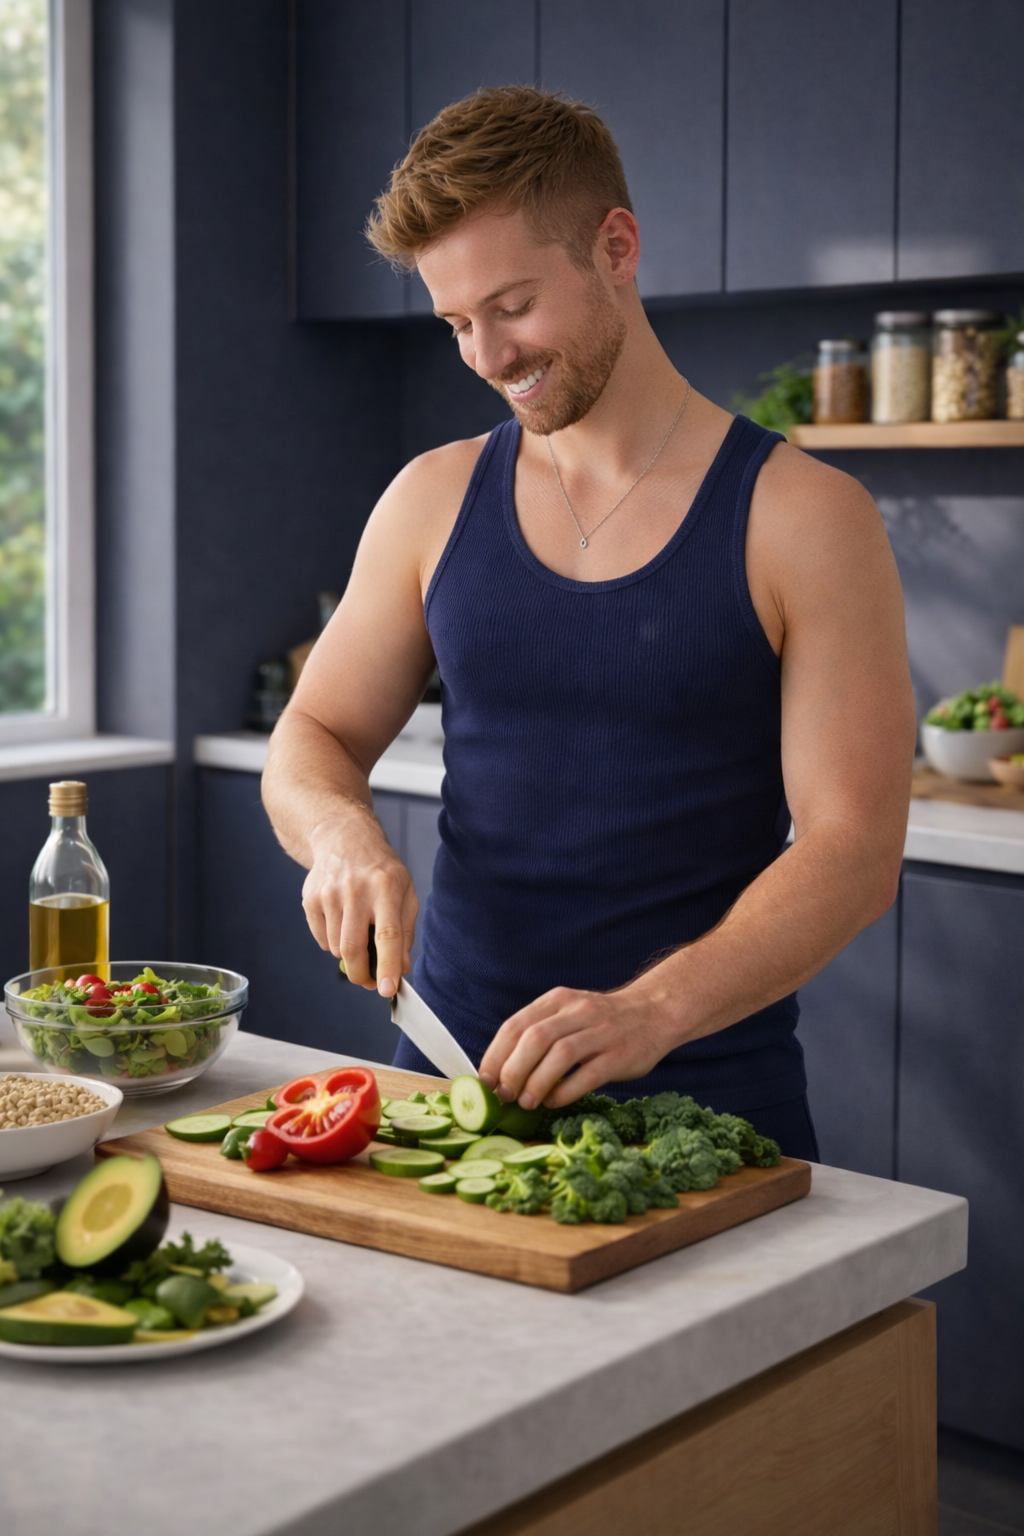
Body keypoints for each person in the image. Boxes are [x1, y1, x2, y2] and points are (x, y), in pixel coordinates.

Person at [262, 86, 916, 1160]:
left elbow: (853, 850)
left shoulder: (806, 519)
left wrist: (649, 1011)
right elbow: (311, 738)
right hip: (447, 1094)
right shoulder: (430, 499)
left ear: (615, 247)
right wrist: (340, 839)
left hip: (705, 1119)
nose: (485, 356)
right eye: (456, 323)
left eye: (511, 306)